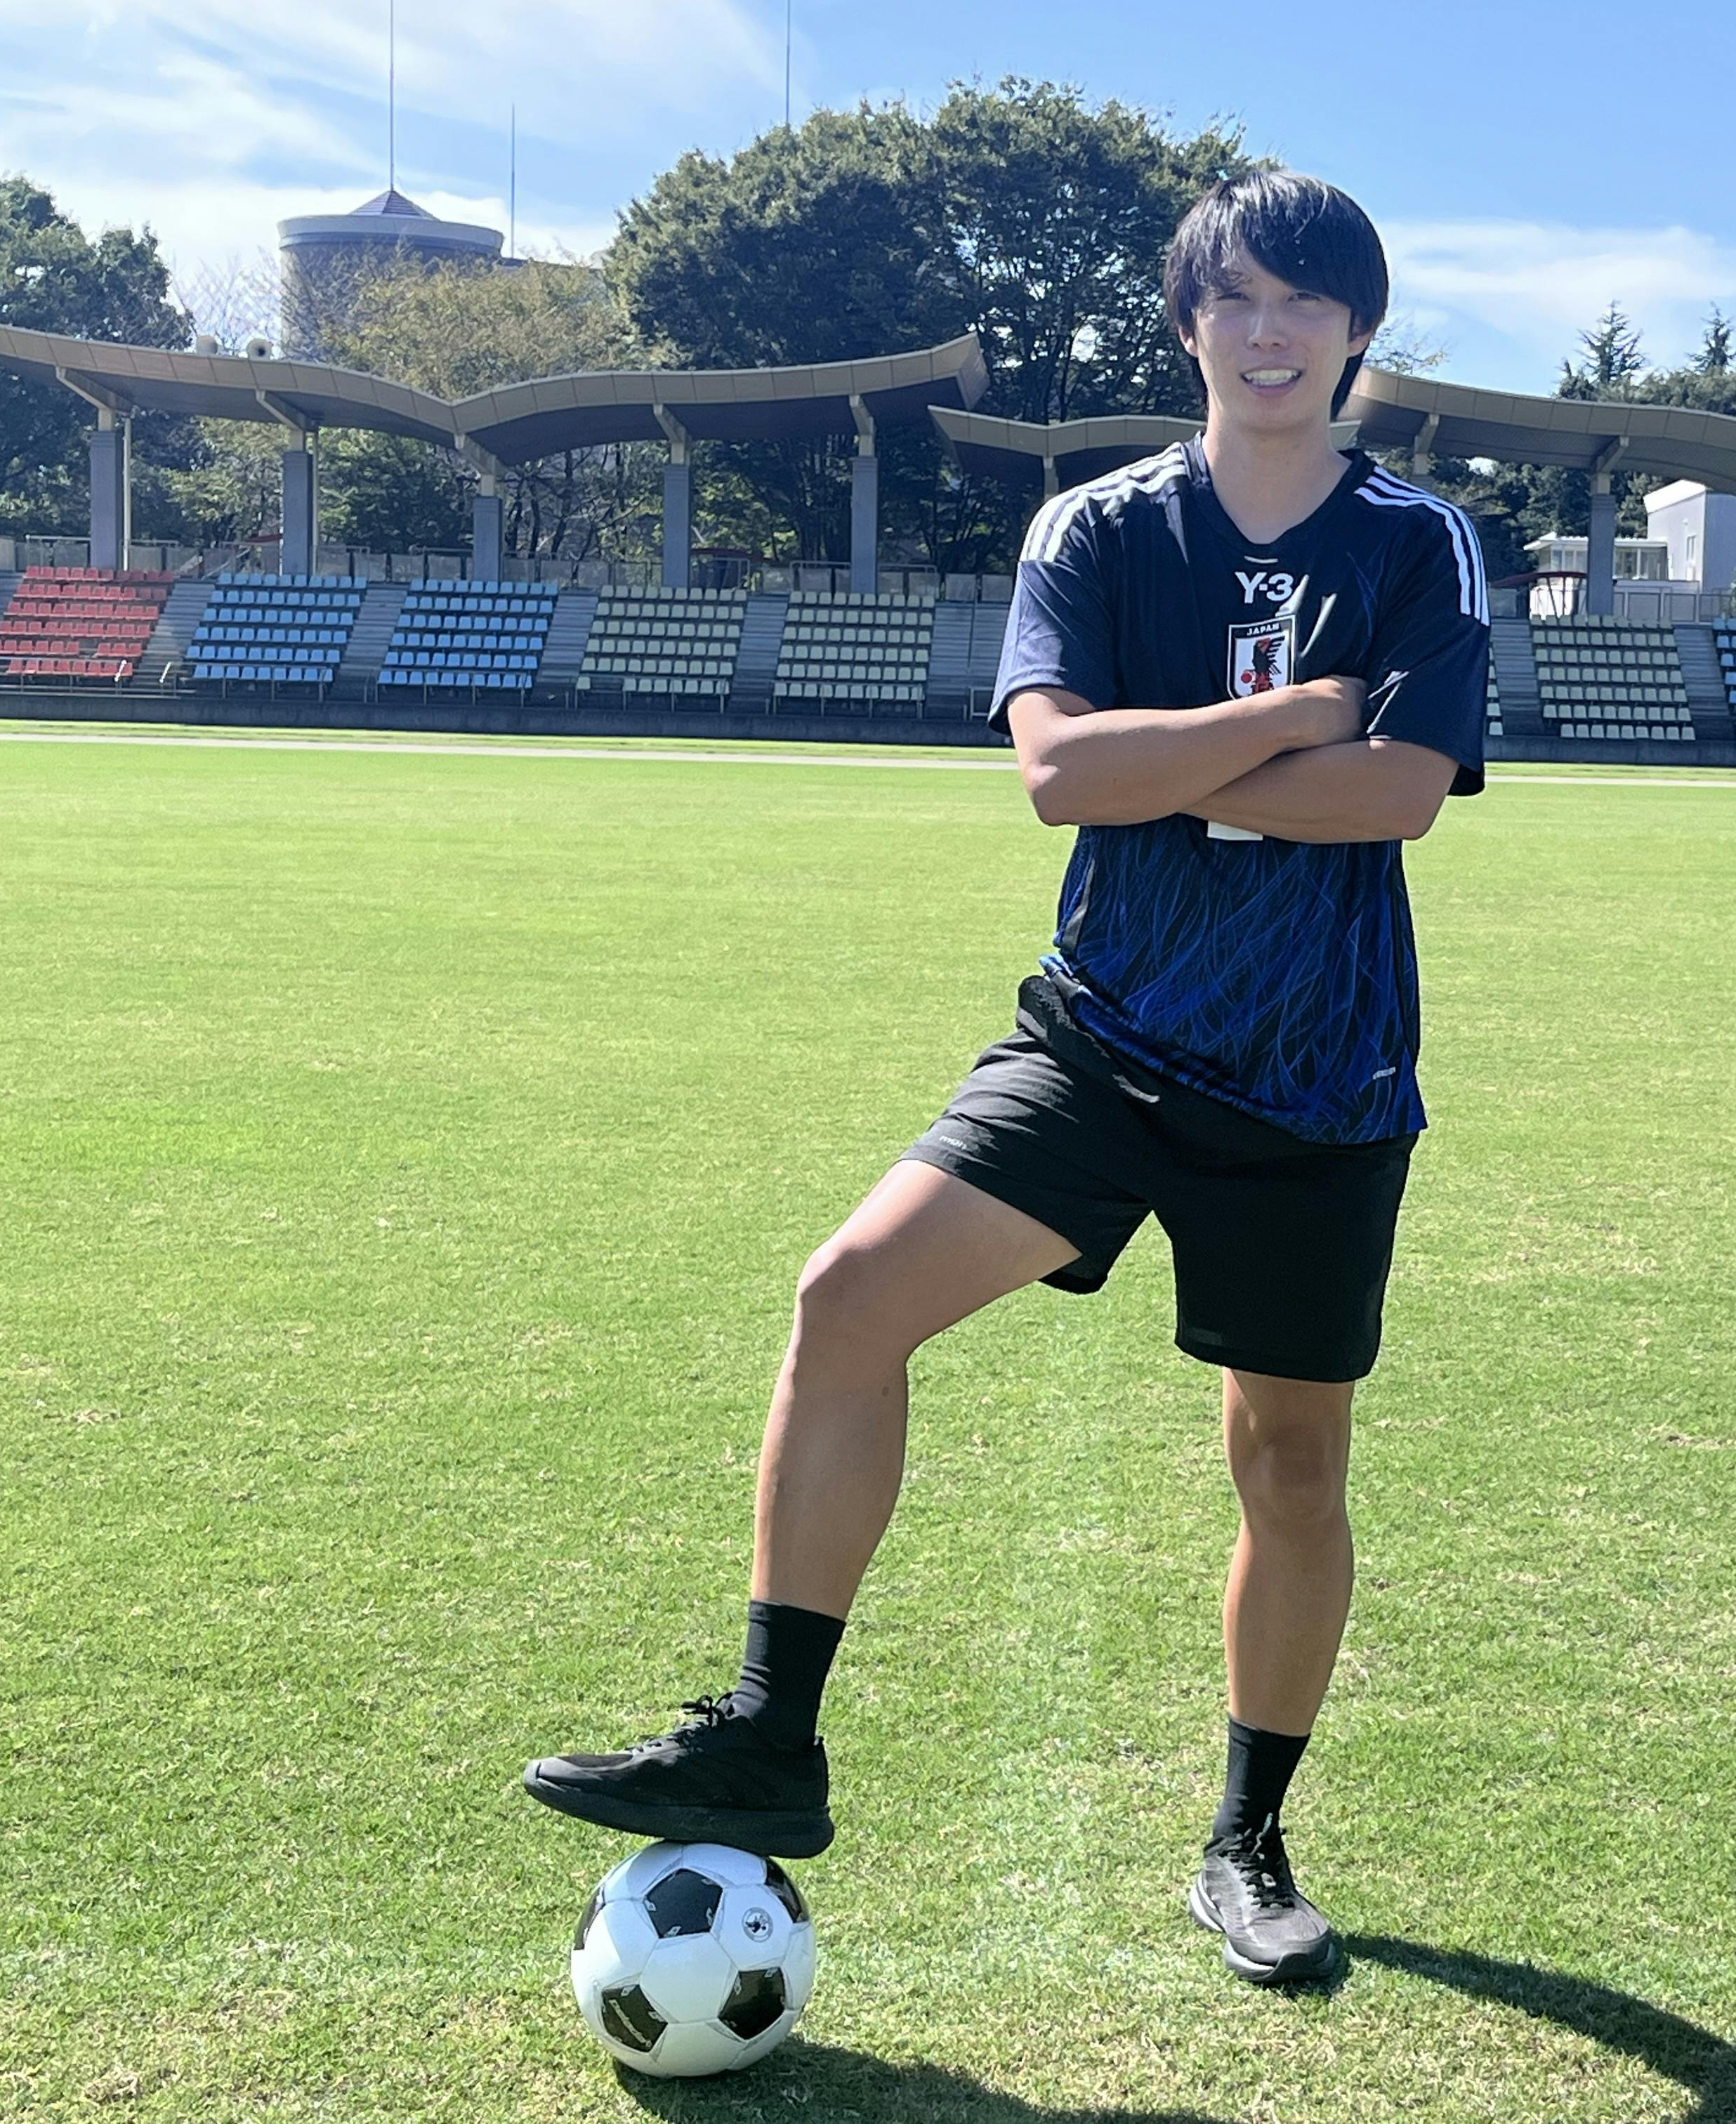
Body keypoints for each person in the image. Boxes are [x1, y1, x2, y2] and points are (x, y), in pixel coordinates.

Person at [522, 169, 1490, 1990]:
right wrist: (1294, 717)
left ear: (1357, 330)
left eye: (1306, 301)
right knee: (849, 1293)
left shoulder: (1420, 543)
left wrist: (1166, 759)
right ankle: (770, 1734)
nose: (1269, 332)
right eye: (1236, 297)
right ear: (1188, 323)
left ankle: (1248, 1841)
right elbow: (1058, 777)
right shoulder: (1099, 530)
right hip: (1101, 1040)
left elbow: (1401, 796)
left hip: (1319, 1075)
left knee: (1289, 1461)